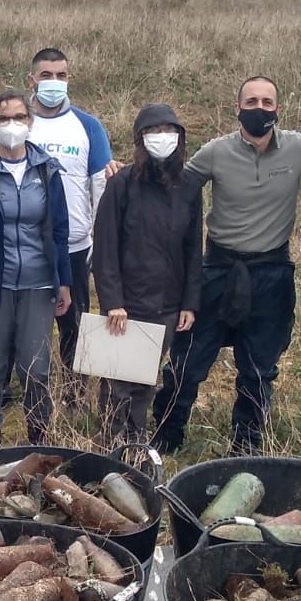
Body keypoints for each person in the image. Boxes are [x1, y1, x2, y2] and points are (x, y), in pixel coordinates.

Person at [152, 77, 301, 454]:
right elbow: (174, 189)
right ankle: (167, 434)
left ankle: (246, 443)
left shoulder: (299, 149)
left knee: (259, 367)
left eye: (266, 102)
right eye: (251, 101)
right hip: (217, 269)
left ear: (278, 109)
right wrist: (126, 175)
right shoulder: (216, 151)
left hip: (271, 272)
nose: (258, 108)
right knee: (188, 360)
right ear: (237, 108)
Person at [90, 105, 202, 444]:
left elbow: (193, 247)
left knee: (145, 381)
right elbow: (105, 247)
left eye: (170, 130)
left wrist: (189, 302)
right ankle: (111, 447)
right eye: (155, 131)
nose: (162, 138)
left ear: (180, 139)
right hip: (127, 303)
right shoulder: (121, 184)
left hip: (167, 303)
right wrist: (113, 302)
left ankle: (136, 445)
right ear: (141, 139)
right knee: (117, 383)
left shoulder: (189, 186)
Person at [0, 91, 72, 447]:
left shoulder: (46, 170)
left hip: (38, 283)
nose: (12, 125)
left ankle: (39, 437)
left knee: (36, 367)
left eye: (18, 117)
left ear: (30, 122)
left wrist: (64, 282)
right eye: (3, 118)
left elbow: (59, 229)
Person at [25, 48, 113, 387]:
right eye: (46, 76)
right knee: (27, 324)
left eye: (61, 75)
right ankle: (20, 386)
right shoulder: (19, 124)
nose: (54, 82)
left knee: (74, 323)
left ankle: (75, 392)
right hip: (27, 247)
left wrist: (100, 240)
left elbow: (101, 185)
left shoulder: (88, 126)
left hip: (75, 247)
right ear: (32, 80)